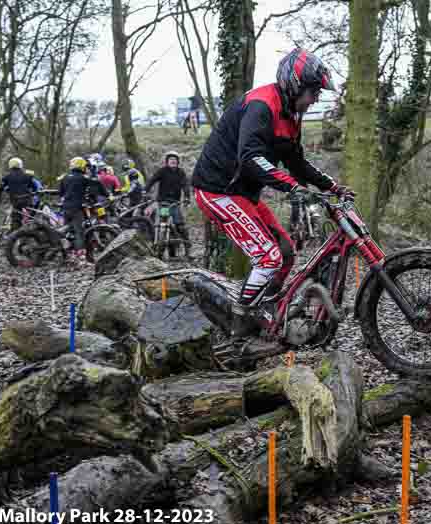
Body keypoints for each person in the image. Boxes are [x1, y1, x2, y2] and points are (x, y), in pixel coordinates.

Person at [191, 48, 355, 339]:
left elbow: (297, 162)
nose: (316, 98)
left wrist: (332, 186)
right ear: (295, 85)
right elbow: (250, 157)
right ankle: (240, 327)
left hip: (242, 194)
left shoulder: (291, 114)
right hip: (216, 190)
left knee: (286, 253)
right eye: (313, 92)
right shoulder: (261, 105)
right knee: (268, 257)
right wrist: (292, 188)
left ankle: (268, 312)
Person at [146, 150, 193, 258]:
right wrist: (145, 190)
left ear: (177, 162)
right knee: (162, 222)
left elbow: (185, 185)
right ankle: (158, 245)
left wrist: (186, 197)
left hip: (175, 203)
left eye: (175, 160)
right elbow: (153, 180)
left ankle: (187, 248)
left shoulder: (181, 172)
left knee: (180, 225)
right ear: (167, 161)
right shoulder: (162, 171)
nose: (173, 161)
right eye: (171, 160)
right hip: (163, 203)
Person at [58, 156, 98, 264]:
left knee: (67, 232)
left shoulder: (65, 177)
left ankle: (68, 254)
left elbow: (61, 192)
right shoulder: (83, 177)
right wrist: (93, 171)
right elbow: (95, 184)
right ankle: (81, 257)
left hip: (65, 208)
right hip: (77, 208)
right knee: (79, 232)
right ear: (81, 166)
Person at [0, 157, 39, 231]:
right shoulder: (28, 176)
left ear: (10, 165)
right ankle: (30, 226)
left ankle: (15, 233)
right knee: (31, 216)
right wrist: (33, 194)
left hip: (15, 201)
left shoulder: (7, 177)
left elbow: (0, 188)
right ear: (21, 165)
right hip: (27, 200)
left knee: (16, 219)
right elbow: (35, 187)